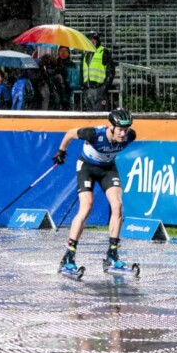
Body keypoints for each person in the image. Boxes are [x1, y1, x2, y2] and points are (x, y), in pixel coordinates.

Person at [52, 108, 137, 274]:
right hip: (87, 168)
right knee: (87, 206)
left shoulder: (130, 136)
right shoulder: (93, 133)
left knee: (117, 205)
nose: (123, 134)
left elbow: (124, 137)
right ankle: (69, 255)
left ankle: (112, 254)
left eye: (126, 130)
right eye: (120, 130)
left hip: (107, 169)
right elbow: (70, 133)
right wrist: (61, 152)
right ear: (110, 126)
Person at [82, 32, 116, 111]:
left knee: (100, 115)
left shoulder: (103, 52)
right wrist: (83, 85)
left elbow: (111, 70)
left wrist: (105, 86)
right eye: (89, 39)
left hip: (99, 88)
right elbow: (82, 71)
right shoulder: (85, 53)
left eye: (93, 39)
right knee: (89, 116)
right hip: (88, 89)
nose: (91, 41)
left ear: (97, 40)